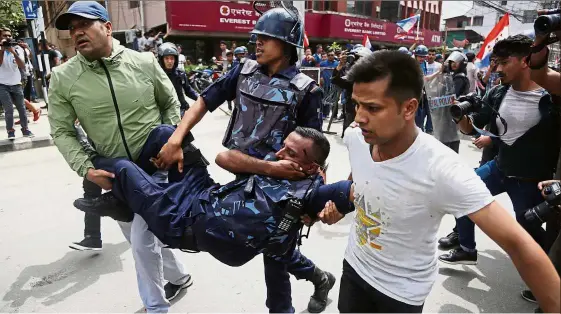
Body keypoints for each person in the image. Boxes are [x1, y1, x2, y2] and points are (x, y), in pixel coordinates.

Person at [318, 50, 560, 313]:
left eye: (373, 107)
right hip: (354, 268)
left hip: (401, 292)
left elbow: (518, 243)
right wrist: (341, 205)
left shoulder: (442, 169)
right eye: (357, 104)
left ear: (409, 108)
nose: (359, 117)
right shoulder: (357, 138)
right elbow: (362, 183)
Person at [149, 6, 333, 314]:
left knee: (274, 256)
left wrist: (313, 203)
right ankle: (319, 277)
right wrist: (176, 137)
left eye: (266, 38)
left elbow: (315, 150)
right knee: (266, 246)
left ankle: (290, 302)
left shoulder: (306, 91)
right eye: (256, 37)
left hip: (280, 188)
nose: (257, 43)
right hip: (241, 172)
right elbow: (205, 101)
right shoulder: (243, 70)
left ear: (287, 45)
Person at [49, 2, 194, 312]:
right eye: (72, 29)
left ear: (107, 27)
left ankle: (156, 307)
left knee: (143, 241)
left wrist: (173, 141)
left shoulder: (143, 61)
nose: (77, 33)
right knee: (138, 237)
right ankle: (180, 277)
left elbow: (170, 102)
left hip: (155, 166)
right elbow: (61, 131)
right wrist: (87, 169)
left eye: (84, 25)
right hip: (114, 174)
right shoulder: (63, 77)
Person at [75, 127, 355, 269]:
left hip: (181, 222)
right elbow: (224, 158)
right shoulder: (275, 161)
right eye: (284, 147)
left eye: (291, 154)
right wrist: (270, 166)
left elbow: (359, 191)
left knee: (124, 170)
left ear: (311, 167)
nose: (280, 154)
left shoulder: (312, 194)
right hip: (203, 192)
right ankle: (124, 201)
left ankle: (93, 158)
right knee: (167, 134)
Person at [441, 36, 559, 277]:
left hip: (531, 179)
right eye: (495, 62)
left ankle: (547, 279)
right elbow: (470, 128)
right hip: (499, 167)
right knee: (462, 191)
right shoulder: (497, 93)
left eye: (504, 62)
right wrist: (460, 116)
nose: (498, 69)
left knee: (529, 229)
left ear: (526, 61)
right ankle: (466, 247)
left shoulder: (551, 98)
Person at [331, 46, 372, 138]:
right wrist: (340, 66)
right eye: (354, 58)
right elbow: (336, 80)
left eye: (358, 58)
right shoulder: (351, 77)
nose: (355, 61)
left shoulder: (376, 78)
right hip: (351, 109)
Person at [0, 27, 33, 139]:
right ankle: (10, 131)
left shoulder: (17, 48)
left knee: (22, 108)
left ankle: (26, 129)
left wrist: (12, 51)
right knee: (8, 109)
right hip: (2, 84)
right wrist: (2, 50)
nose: (7, 37)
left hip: (16, 83)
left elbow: (22, 65)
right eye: (5, 35)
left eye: (9, 35)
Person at [158, 43, 198, 117]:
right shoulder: (157, 75)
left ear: (175, 60)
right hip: (163, 111)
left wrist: (200, 99)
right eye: (166, 58)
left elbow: (188, 90)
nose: (170, 61)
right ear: (162, 60)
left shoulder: (180, 74)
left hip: (180, 109)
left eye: (172, 58)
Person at [413, 45, 433, 134]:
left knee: (421, 117)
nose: (422, 59)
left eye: (424, 57)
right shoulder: (411, 65)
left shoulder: (424, 64)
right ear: (415, 55)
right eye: (420, 57)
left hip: (422, 95)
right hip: (413, 94)